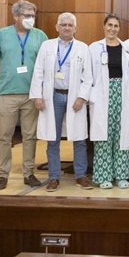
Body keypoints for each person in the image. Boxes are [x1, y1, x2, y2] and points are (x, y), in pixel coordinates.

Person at [0, 0, 47, 190]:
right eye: (27, 15)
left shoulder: (40, 36)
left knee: (30, 136)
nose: (31, 19)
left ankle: (28, 173)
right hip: (6, 94)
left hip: (32, 94)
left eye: (33, 15)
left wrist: (42, 92)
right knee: (5, 136)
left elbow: (47, 63)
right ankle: (2, 174)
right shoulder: (2, 35)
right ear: (16, 16)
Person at [29, 12, 93, 192]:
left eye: (70, 25)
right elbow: (38, 72)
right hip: (53, 96)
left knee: (79, 138)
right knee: (52, 138)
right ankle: (53, 177)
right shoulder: (47, 46)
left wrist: (82, 97)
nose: (66, 28)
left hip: (75, 98)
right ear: (57, 27)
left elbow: (88, 77)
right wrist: (38, 96)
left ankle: (81, 175)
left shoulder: (82, 48)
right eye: (63, 25)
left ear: (75, 28)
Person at [89, 14, 129, 189]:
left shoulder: (127, 49)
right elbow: (88, 75)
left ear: (120, 28)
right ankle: (104, 176)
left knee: (122, 136)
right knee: (104, 136)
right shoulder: (94, 48)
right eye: (109, 25)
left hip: (123, 95)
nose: (112, 29)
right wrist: (92, 96)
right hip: (102, 96)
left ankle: (121, 175)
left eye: (116, 26)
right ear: (104, 27)